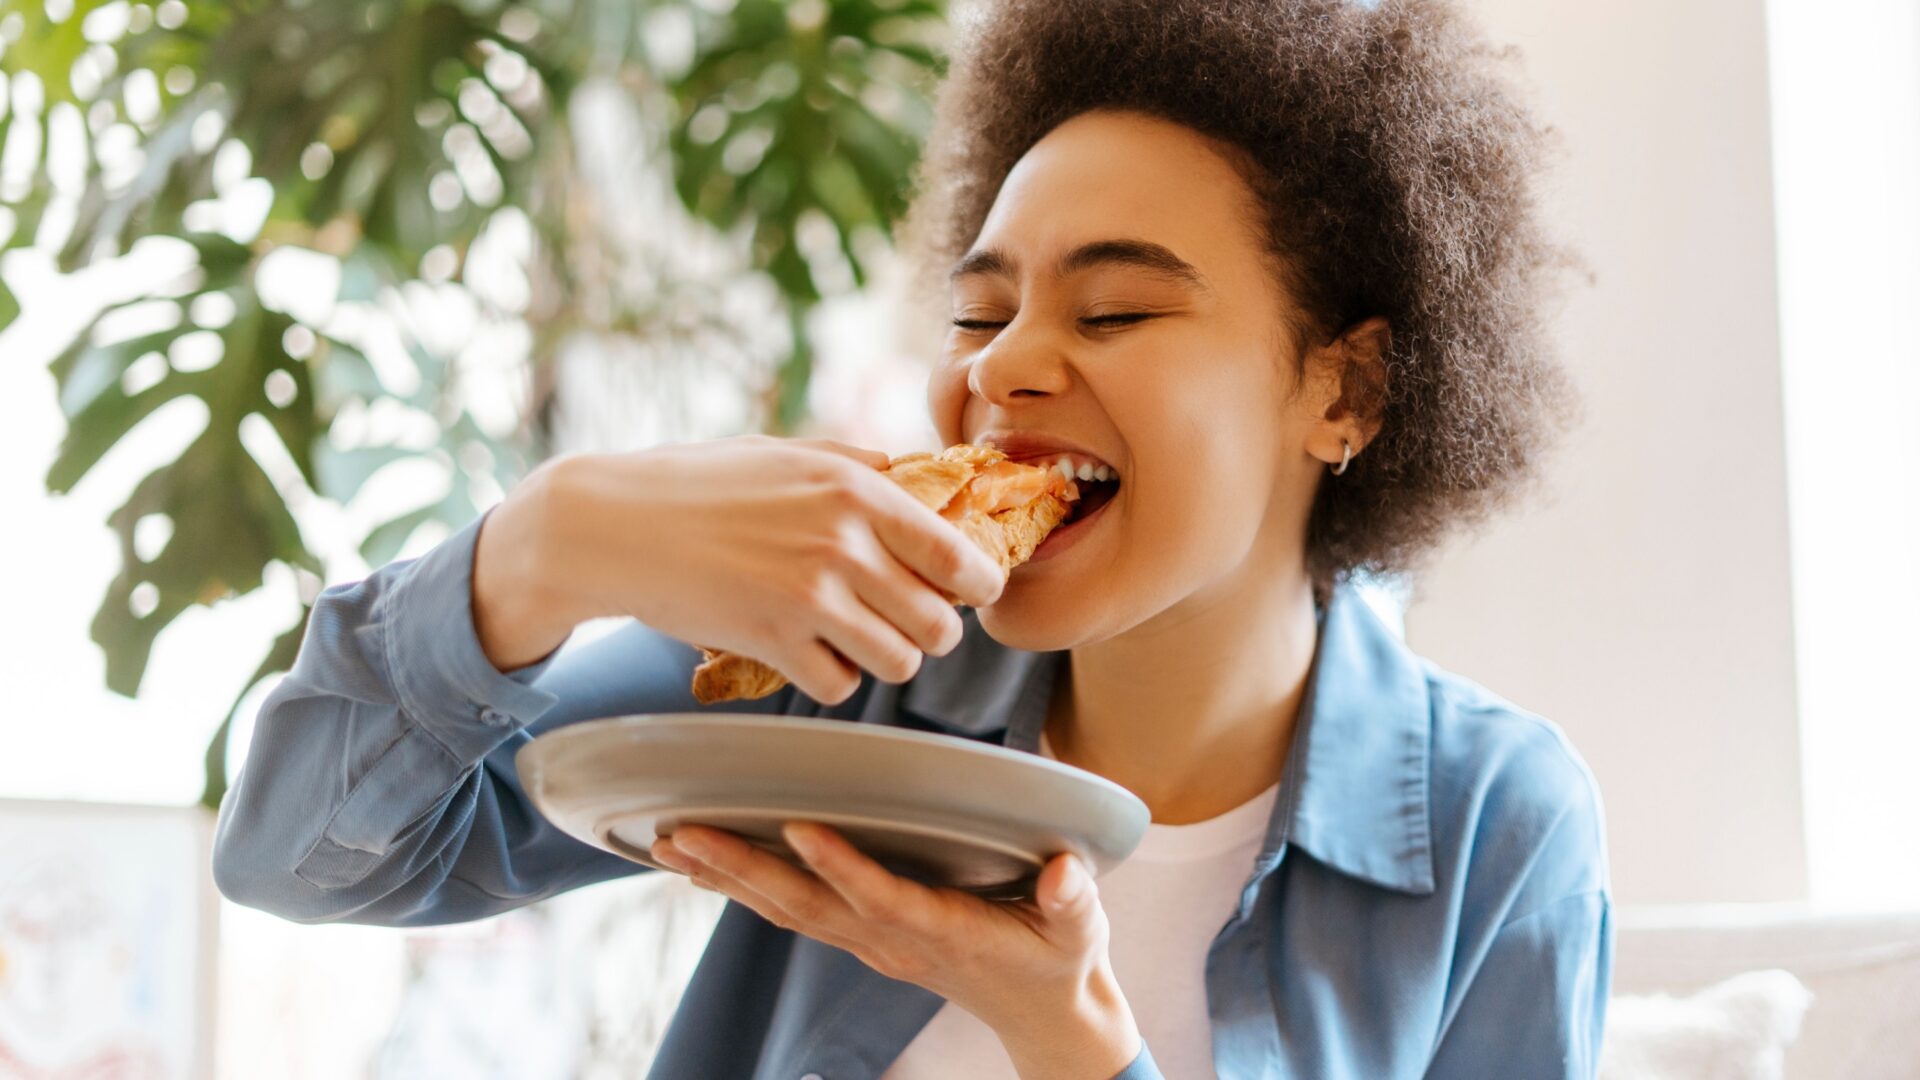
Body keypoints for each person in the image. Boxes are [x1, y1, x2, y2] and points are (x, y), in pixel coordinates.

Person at [211, 0, 1611, 1076]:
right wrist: (551, 541)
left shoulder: (1495, 830)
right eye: (978, 311)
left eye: (1113, 311)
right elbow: (300, 852)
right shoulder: (844, 668)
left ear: (1344, 389)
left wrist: (1061, 1030)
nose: (1003, 370)